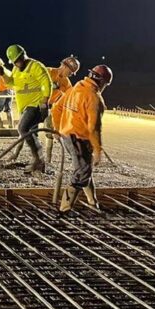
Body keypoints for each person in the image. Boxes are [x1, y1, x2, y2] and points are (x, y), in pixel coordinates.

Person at [56, 64, 112, 212]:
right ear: (102, 82)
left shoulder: (75, 88)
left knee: (85, 167)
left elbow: (57, 107)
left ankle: (93, 202)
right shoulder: (94, 98)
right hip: (77, 139)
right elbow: (94, 129)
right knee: (82, 172)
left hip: (66, 135)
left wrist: (57, 129)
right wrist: (98, 150)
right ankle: (64, 210)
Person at [2, 44, 53, 174]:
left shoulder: (35, 66)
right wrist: (3, 73)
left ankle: (39, 159)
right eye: (15, 62)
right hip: (24, 107)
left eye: (18, 60)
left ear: (23, 56)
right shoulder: (15, 69)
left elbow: (46, 82)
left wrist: (45, 100)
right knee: (31, 133)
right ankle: (39, 166)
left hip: (36, 106)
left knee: (22, 128)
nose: (17, 63)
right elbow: (11, 82)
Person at [45, 55, 80, 159]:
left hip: (52, 107)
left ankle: (48, 158)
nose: (69, 75)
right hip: (39, 104)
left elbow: (71, 97)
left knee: (50, 130)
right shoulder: (48, 72)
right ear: (64, 66)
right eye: (69, 72)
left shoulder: (66, 82)